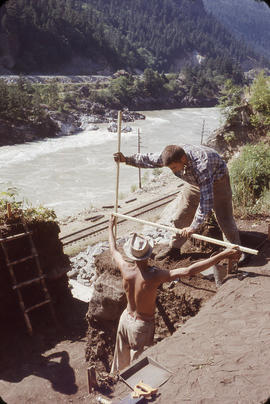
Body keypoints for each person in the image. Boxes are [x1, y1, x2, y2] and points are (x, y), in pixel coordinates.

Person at [109, 214, 241, 373]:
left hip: (125, 320)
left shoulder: (126, 269)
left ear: (131, 254)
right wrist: (223, 254)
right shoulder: (154, 276)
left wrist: (110, 226)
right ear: (149, 254)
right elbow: (189, 270)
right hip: (141, 327)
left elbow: (113, 249)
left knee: (121, 364)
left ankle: (117, 384)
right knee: (137, 369)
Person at [114, 144, 241, 261]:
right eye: (170, 168)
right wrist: (126, 159)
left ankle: (235, 253)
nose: (173, 171)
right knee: (182, 215)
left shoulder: (202, 167)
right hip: (194, 183)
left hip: (217, 182)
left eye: (174, 167)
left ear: (183, 159)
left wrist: (194, 226)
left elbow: (206, 201)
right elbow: (149, 159)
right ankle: (175, 248)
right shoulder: (171, 156)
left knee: (224, 218)